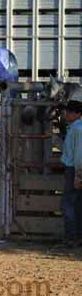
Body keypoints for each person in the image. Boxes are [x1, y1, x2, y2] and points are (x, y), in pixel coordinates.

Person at [59, 98, 82, 248]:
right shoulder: (75, 128)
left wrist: (78, 175)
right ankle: (76, 236)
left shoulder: (77, 129)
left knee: (68, 203)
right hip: (74, 168)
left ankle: (72, 237)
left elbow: (79, 154)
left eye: (69, 111)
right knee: (76, 203)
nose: (66, 114)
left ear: (77, 114)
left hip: (74, 169)